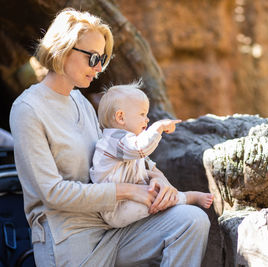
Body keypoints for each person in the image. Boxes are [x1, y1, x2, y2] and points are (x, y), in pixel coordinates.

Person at [9, 8, 210, 266]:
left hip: (113, 226)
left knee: (190, 221)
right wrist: (128, 192)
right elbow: (53, 193)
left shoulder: (79, 101)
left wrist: (158, 177)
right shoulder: (28, 110)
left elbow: (113, 148)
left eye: (103, 58)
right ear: (64, 48)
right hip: (68, 240)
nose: (100, 67)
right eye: (93, 58)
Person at [90, 81, 213, 228]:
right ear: (121, 117)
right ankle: (187, 197)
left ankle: (182, 198)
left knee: (156, 193)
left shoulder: (126, 143)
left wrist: (155, 176)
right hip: (115, 209)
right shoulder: (113, 141)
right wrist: (158, 127)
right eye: (142, 114)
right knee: (156, 199)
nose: (147, 119)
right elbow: (141, 148)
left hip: (129, 200)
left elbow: (147, 164)